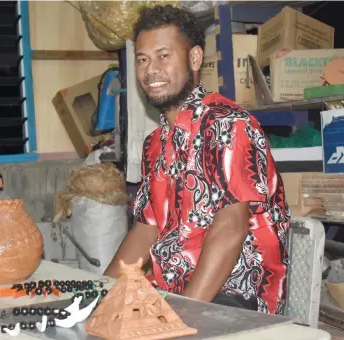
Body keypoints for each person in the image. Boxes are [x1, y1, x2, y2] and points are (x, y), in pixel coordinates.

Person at [104, 5, 290, 315]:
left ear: (194, 58)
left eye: (164, 56)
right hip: (181, 288)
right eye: (143, 60)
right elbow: (146, 229)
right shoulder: (155, 143)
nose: (151, 71)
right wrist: (102, 293)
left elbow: (231, 228)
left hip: (237, 294)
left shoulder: (228, 125)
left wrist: (181, 316)